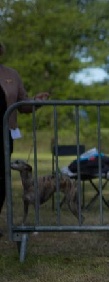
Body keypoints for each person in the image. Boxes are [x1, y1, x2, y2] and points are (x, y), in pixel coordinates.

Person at [0, 41, 49, 224]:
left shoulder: (10, 75)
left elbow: (23, 104)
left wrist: (36, 101)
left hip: (5, 134)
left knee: (1, 177)